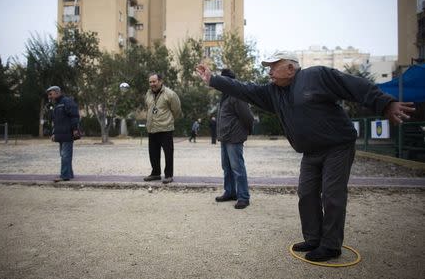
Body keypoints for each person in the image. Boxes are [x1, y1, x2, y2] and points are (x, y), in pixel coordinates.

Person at [196, 51, 415, 261]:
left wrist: (385, 104)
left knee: (332, 195)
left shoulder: (316, 76)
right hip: (310, 151)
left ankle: (330, 245)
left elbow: (353, 85)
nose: (269, 72)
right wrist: (213, 79)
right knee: (307, 193)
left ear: (290, 67)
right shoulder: (273, 92)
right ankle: (313, 239)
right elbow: (244, 89)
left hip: (338, 145)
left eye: (273, 67)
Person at [215, 69, 254, 209]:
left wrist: (248, 131)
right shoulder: (224, 95)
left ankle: (243, 197)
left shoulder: (237, 95)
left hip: (234, 137)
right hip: (224, 137)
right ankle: (230, 192)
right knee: (226, 167)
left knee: (237, 168)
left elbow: (248, 117)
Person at [144, 73, 182, 184]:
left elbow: (177, 110)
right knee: (153, 153)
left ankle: (169, 175)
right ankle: (155, 174)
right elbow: (149, 108)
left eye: (154, 81)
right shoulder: (148, 93)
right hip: (152, 128)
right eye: (150, 82)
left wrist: (168, 120)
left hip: (166, 129)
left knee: (168, 153)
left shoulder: (170, 94)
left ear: (160, 81)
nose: (152, 84)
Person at [46, 86, 80, 182]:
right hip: (60, 134)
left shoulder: (67, 102)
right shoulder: (57, 105)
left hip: (68, 133)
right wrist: (54, 133)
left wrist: (75, 129)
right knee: (64, 155)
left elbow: (74, 116)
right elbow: (56, 121)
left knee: (65, 155)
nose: (49, 96)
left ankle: (64, 175)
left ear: (57, 93)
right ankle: (69, 174)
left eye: (50, 94)